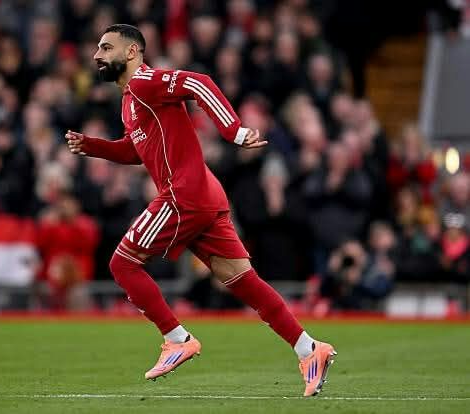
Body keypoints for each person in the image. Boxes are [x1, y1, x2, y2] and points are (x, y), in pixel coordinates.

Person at [65, 24, 336, 397]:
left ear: (131, 52)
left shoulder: (145, 83)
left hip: (184, 195)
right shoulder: (130, 100)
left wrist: (233, 131)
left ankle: (177, 339)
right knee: (242, 280)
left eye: (106, 47)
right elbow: (135, 150)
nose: (97, 55)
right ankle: (309, 349)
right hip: (203, 195)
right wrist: (94, 146)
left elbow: (199, 82)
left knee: (123, 264)